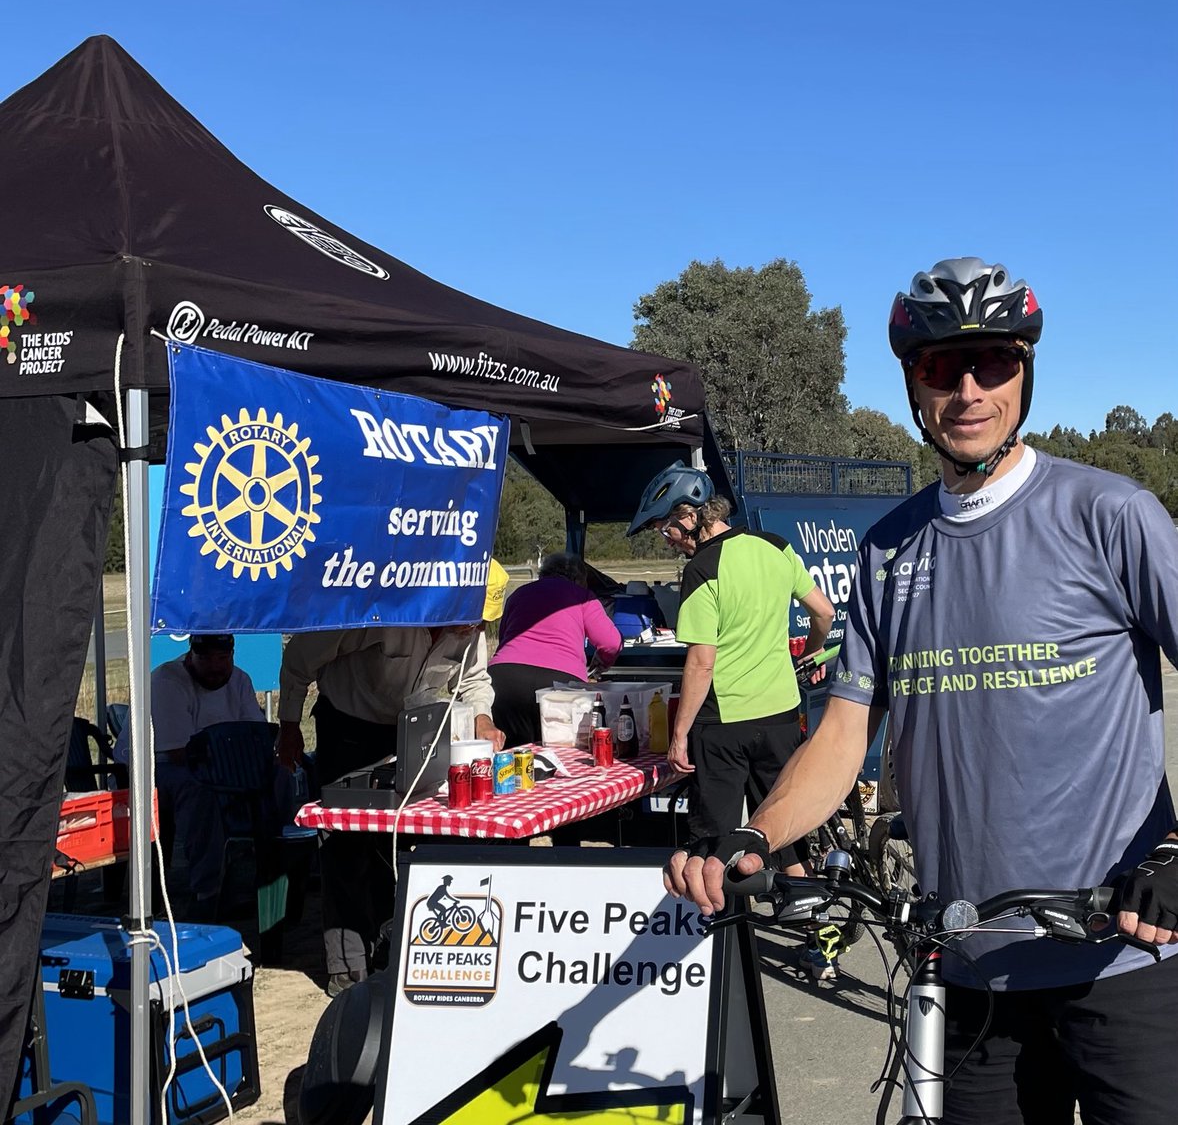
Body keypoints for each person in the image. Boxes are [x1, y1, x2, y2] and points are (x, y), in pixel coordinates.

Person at [671, 258, 1178, 1124]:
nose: (970, 390)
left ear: (1025, 372)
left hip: (1120, 959)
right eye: (943, 368)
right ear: (914, 382)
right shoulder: (889, 551)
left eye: (995, 363)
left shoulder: (1111, 514)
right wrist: (753, 835)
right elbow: (841, 736)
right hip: (965, 971)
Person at [628, 461, 836, 975]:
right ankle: (820, 936)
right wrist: (807, 656)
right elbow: (824, 613)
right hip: (783, 713)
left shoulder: (702, 569)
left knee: (713, 839)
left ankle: (712, 955)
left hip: (724, 723)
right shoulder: (774, 545)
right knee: (782, 826)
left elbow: (701, 660)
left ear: (690, 516)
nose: (669, 540)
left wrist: (678, 736)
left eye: (667, 528)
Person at [277, 565, 508, 997]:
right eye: (467, 618)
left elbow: (474, 679)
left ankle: (384, 951)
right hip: (346, 728)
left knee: (393, 842)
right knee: (345, 845)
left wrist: (482, 717)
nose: (472, 628)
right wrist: (288, 726)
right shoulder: (384, 608)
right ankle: (347, 972)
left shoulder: (470, 628)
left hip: (404, 731)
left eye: (480, 621)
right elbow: (299, 659)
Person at [140, 633, 265, 914]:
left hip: (223, 765)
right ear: (191, 656)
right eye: (206, 659)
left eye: (222, 659)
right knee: (201, 790)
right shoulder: (166, 682)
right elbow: (179, 752)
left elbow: (256, 735)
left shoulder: (240, 680)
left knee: (277, 779)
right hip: (158, 767)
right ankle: (207, 891)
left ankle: (276, 872)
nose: (215, 667)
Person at [488, 552, 623, 747]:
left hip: (504, 677)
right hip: (559, 683)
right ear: (579, 578)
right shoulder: (581, 596)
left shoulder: (519, 593)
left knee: (509, 754)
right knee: (562, 754)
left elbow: (505, 638)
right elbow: (611, 643)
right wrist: (601, 665)